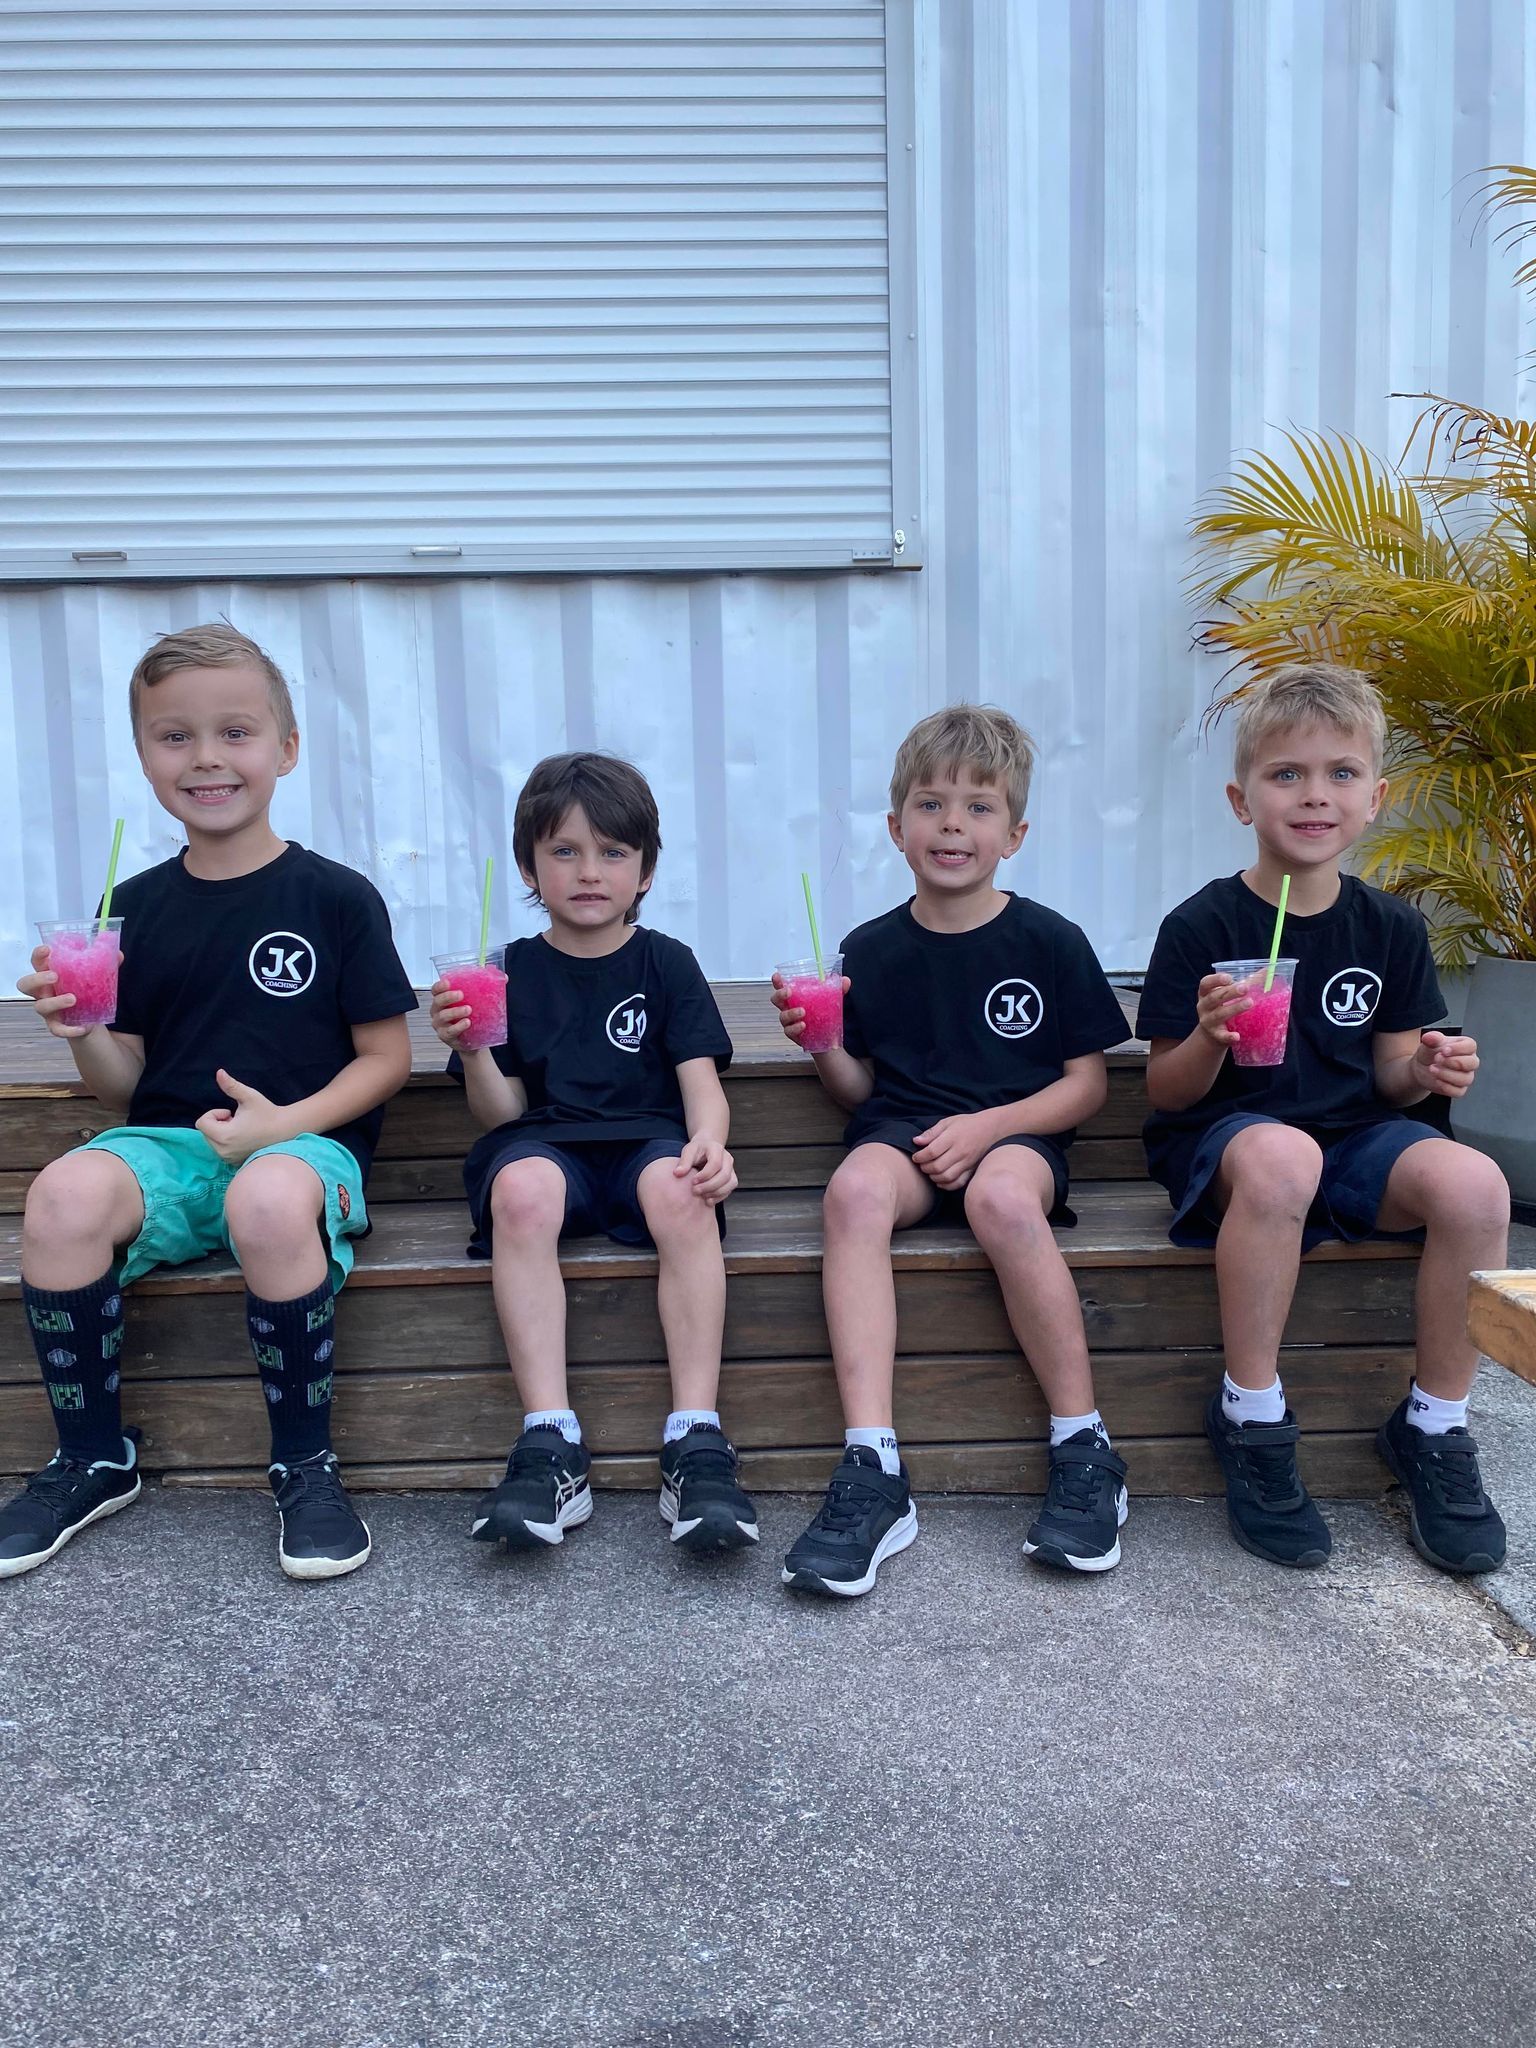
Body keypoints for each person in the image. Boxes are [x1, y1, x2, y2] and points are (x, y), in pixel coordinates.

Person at [1, 624, 417, 1582]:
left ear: (286, 748)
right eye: (174, 737)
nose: (207, 759)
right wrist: (85, 1032)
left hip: (307, 1154)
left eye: (235, 731)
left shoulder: (335, 898)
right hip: (168, 1147)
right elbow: (124, 1086)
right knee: (60, 1197)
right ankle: (93, 1457)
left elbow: (388, 1056)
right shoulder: (133, 905)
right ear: (144, 756)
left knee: (265, 1197)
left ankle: (305, 1462)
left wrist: (286, 1124)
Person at [1137, 662, 1509, 1572]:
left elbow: (1389, 1080)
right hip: (1238, 1150)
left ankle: (1433, 1425)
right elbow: (1166, 1092)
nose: (1315, 796)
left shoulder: (1391, 930)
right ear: (1241, 799)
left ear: (1375, 797)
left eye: (1341, 774)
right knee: (1283, 1158)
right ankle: (1251, 1412)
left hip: (1358, 1141)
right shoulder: (1199, 925)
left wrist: (1427, 1067)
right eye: (1287, 775)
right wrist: (1211, 1038)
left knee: (1477, 1183)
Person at [772, 704, 1133, 1596]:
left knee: (1000, 1200)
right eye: (931, 806)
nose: (953, 826)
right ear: (897, 829)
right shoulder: (869, 949)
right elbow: (859, 1094)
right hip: (903, 1133)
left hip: (1015, 1134)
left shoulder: (1049, 940)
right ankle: (873, 1464)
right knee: (853, 1195)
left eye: (978, 808)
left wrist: (991, 1128)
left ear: (1014, 833)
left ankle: (1085, 1446)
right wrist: (822, 1044)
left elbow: (1087, 1085)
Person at [433, 751, 757, 1557]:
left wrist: (710, 1143)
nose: (589, 872)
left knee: (682, 1191)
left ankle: (696, 1436)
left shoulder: (666, 961)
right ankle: (550, 1441)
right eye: (564, 852)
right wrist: (474, 1049)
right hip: (543, 1140)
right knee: (522, 1193)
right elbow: (498, 1112)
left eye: (613, 852)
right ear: (528, 868)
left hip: (646, 1138)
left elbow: (699, 1084)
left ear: (645, 870)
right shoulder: (505, 970)